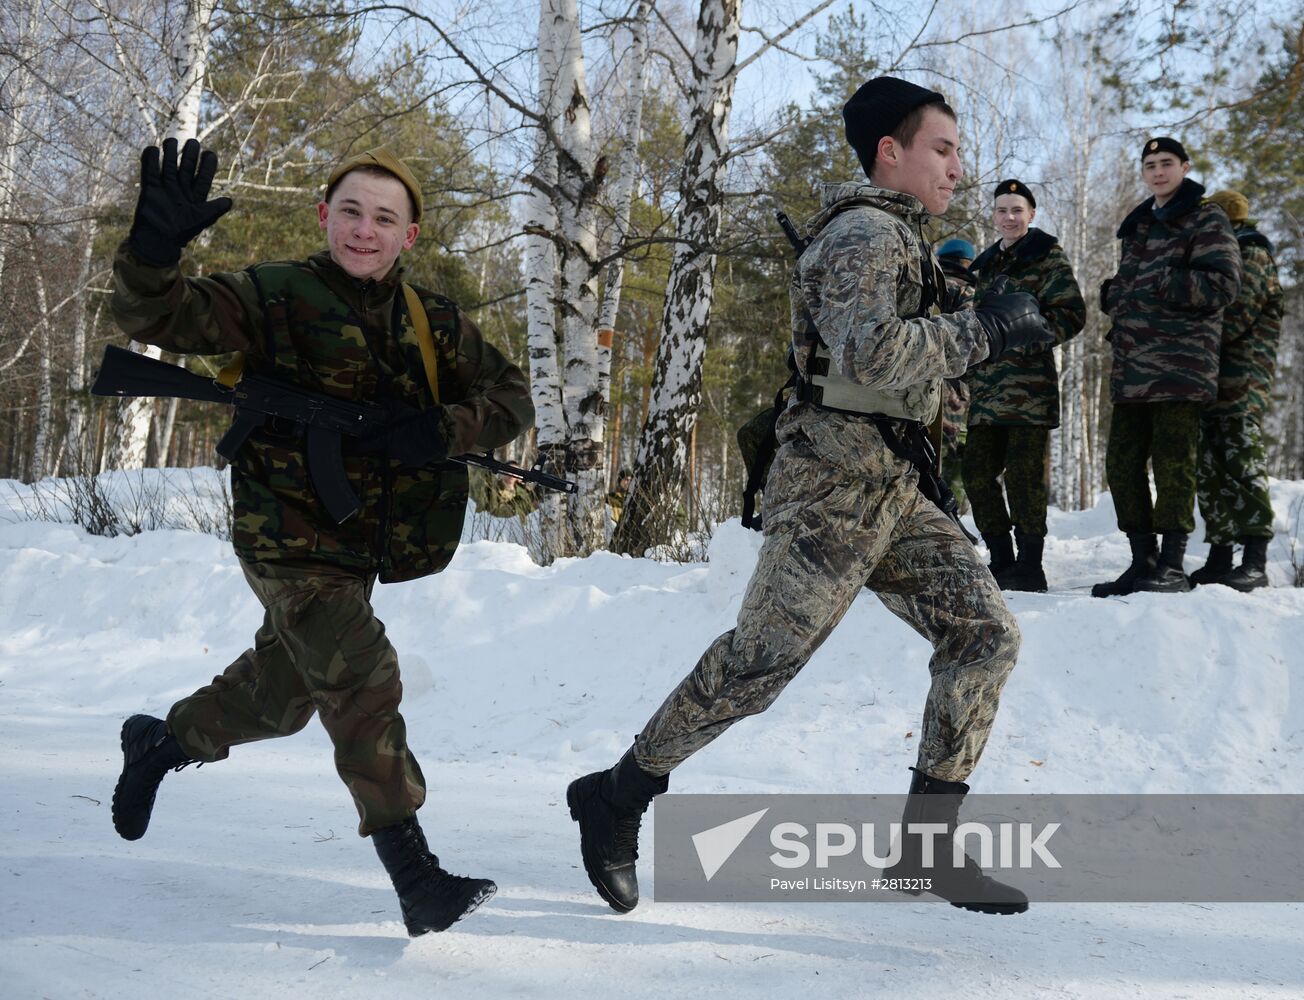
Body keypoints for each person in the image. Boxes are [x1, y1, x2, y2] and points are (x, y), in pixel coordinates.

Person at [567, 77, 1054, 917]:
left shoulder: (905, 239)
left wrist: (963, 338)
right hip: (830, 488)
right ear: (890, 154)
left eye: (959, 151)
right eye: (942, 149)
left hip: (894, 489)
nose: (956, 166)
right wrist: (988, 331)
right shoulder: (865, 231)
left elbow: (905, 374)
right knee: (756, 668)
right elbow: (872, 357)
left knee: (984, 635)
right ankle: (616, 796)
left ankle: (926, 850)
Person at [107, 139, 534, 936]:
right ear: (323, 217)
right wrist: (154, 250)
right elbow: (152, 315)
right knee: (364, 677)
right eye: (350, 212)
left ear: (409, 236)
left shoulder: (434, 321)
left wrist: (445, 429)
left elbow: (514, 394)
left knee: (284, 699)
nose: (363, 231)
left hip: (360, 545)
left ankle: (161, 744)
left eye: (383, 218)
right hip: (284, 536)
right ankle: (417, 876)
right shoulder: (273, 295)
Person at [1093, 138, 1241, 596]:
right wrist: (1114, 295)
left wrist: (1162, 281)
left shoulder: (1205, 217)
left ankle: (1173, 565)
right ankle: (1144, 560)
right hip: (1133, 366)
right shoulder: (1137, 225)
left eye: (1166, 164)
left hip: (1181, 365)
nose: (1158, 172)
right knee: (1121, 465)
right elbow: (1126, 284)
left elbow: (1223, 284)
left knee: (1174, 464)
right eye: (1150, 165)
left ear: (1184, 167)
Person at [963, 180, 1085, 592]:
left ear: (1031, 215)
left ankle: (1030, 566)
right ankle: (1001, 560)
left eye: (1017, 210)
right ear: (993, 216)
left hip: (1028, 393)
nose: (1009, 217)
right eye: (1001, 210)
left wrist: (1029, 334)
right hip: (986, 393)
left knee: (1025, 479)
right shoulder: (985, 266)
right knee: (976, 474)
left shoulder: (1046, 258)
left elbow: (1072, 314)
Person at [1190, 189, 1285, 591]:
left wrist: (1187, 331)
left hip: (1241, 379)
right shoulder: (1224, 252)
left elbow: (1236, 313)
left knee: (1242, 461)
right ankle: (1220, 555)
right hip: (1211, 378)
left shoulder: (1252, 254)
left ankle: (1256, 558)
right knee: (1211, 467)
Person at [934, 238, 977, 515]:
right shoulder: (970, 293)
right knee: (955, 457)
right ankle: (952, 521)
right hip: (955, 391)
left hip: (917, 387)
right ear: (967, 262)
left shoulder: (928, 286)